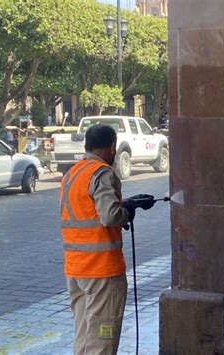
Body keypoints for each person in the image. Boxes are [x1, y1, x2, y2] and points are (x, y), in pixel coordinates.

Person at [60, 125, 138, 354]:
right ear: (112, 146)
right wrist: (127, 212)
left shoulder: (72, 173)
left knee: (85, 335)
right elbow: (110, 215)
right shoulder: (102, 173)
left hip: (76, 270)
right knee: (102, 339)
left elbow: (88, 212)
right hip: (102, 271)